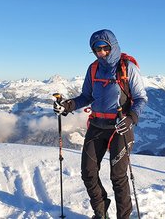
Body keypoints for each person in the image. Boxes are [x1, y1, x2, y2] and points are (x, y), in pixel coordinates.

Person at [53, 29, 147, 219]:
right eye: (96, 49)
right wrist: (68, 105)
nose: (101, 52)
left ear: (112, 46)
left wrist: (131, 118)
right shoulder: (93, 68)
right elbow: (86, 96)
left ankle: (124, 217)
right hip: (97, 125)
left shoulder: (127, 68)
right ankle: (101, 211)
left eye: (105, 48)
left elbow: (141, 98)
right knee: (88, 173)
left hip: (120, 127)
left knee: (118, 177)